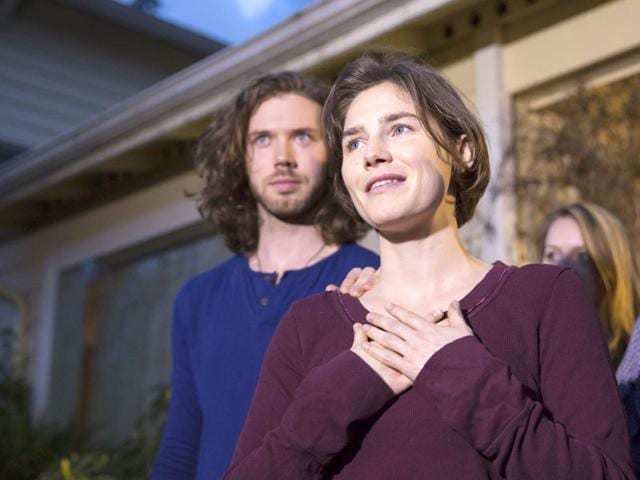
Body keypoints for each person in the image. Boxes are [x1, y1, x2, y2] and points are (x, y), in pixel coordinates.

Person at [223, 53, 633, 479]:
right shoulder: (309, 326)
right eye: (354, 142)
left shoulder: (544, 298)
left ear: (463, 151)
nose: (373, 154)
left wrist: (464, 376)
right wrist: (339, 394)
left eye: (399, 128)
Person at [151, 71, 379, 480]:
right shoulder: (197, 299)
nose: (283, 157)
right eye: (263, 139)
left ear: (334, 154)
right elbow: (182, 444)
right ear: (240, 157)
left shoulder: (369, 281)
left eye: (303, 137)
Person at [540, 202, 640, 475]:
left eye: (582, 255)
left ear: (611, 264)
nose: (561, 266)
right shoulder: (533, 358)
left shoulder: (634, 356)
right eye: (552, 254)